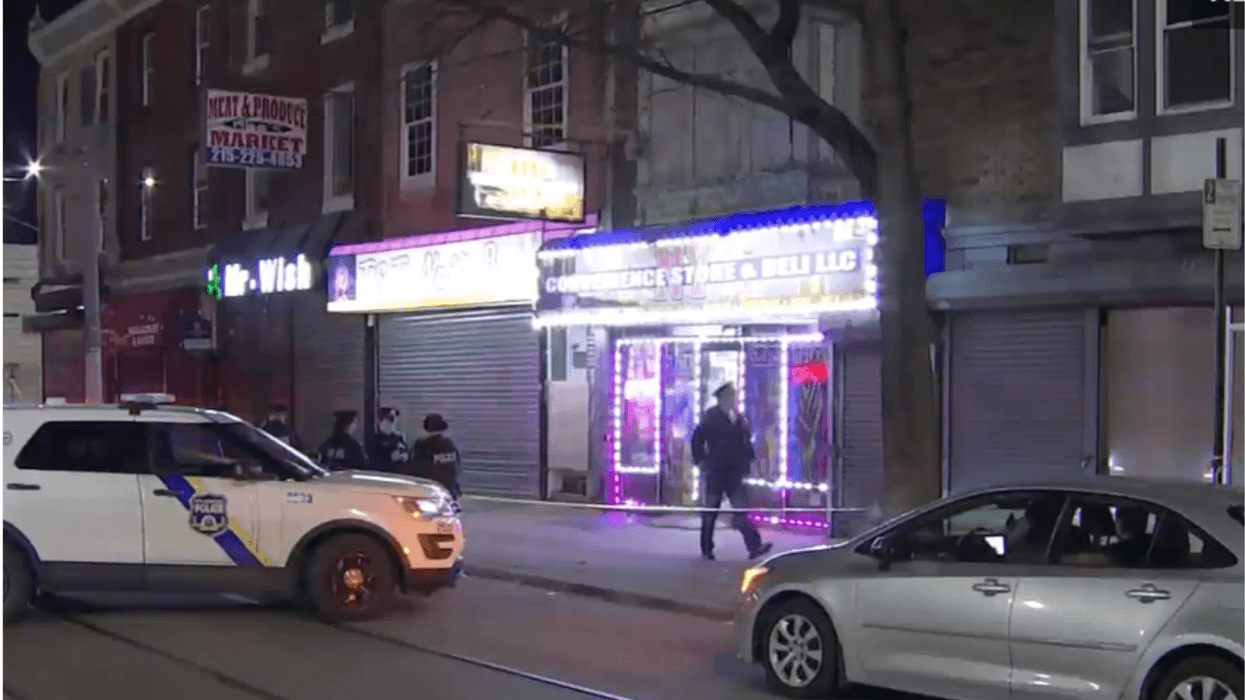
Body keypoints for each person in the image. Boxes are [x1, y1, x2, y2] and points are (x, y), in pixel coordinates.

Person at [690, 383, 772, 561]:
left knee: (740, 509)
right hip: (716, 470)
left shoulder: (739, 418)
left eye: (732, 397)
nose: (731, 401)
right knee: (711, 511)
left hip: (734, 472)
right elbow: (697, 439)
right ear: (720, 399)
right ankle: (706, 548)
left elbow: (745, 441)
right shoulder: (711, 416)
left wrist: (749, 460)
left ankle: (754, 546)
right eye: (728, 397)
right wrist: (701, 461)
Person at [410, 413, 462, 500]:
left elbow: (414, 470)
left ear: (425, 430)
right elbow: (456, 467)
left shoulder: (423, 446)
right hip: (449, 494)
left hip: (430, 495)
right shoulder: (449, 445)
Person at [368, 407, 410, 472]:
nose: (386, 422)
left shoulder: (400, 437)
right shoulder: (375, 439)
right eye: (382, 418)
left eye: (392, 418)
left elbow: (406, 453)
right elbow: (373, 461)